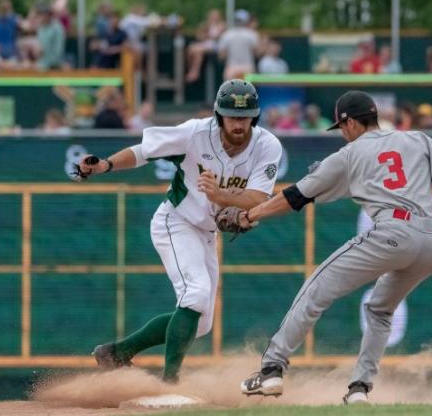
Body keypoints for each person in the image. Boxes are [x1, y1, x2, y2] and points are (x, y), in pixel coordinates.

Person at [236, 90, 432, 404]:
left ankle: (272, 368)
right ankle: (359, 389)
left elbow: (294, 197)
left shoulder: (348, 155)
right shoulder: (417, 139)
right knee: (380, 310)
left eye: (341, 128)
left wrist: (248, 216)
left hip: (394, 232)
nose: (342, 135)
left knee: (316, 287)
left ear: (349, 122)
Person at [74, 80, 282, 382]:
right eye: (231, 115)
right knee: (195, 295)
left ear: (255, 116)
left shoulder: (267, 145)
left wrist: (221, 196)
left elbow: (259, 198)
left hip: (207, 233)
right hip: (176, 222)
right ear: (218, 114)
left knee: (201, 323)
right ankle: (169, 380)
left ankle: (116, 353)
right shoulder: (195, 133)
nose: (238, 122)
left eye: (245, 116)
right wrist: (105, 165)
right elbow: (143, 151)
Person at [218, 9, 260, 80]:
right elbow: (257, 53)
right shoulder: (252, 34)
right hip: (248, 68)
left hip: (232, 68)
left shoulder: (227, 34)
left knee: (230, 90)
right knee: (247, 90)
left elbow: (222, 55)